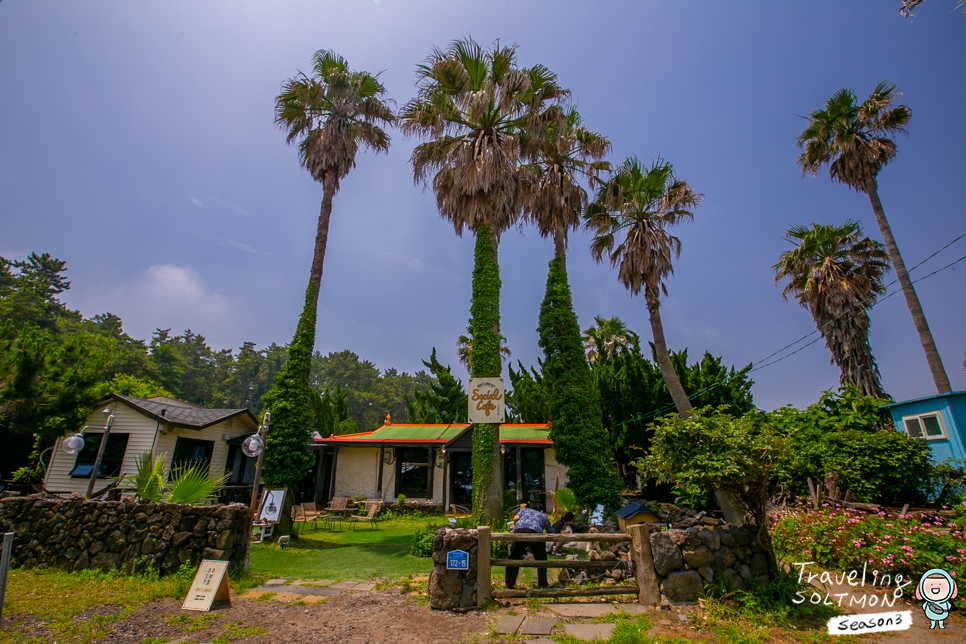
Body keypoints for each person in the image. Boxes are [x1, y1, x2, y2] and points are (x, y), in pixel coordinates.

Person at [505, 501, 552, 589]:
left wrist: (515, 529)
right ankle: (542, 583)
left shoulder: (525, 510)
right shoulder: (543, 515)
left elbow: (515, 518)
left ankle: (509, 582)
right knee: (541, 558)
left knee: (514, 556)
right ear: (541, 510)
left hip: (520, 531)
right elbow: (550, 531)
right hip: (535, 532)